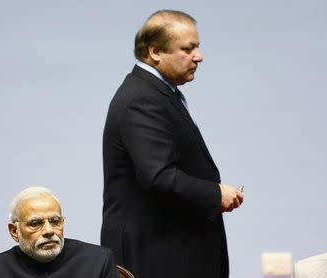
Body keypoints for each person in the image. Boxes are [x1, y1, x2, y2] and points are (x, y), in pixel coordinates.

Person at [101, 10, 244, 278]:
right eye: (188, 49)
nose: (199, 57)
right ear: (155, 52)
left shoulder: (155, 93)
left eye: (197, 47)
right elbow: (159, 175)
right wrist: (214, 194)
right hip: (157, 256)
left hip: (169, 251)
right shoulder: (142, 99)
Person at [0, 186, 119, 278]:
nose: (49, 231)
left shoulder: (99, 261)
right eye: (35, 223)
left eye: (54, 221)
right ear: (14, 231)